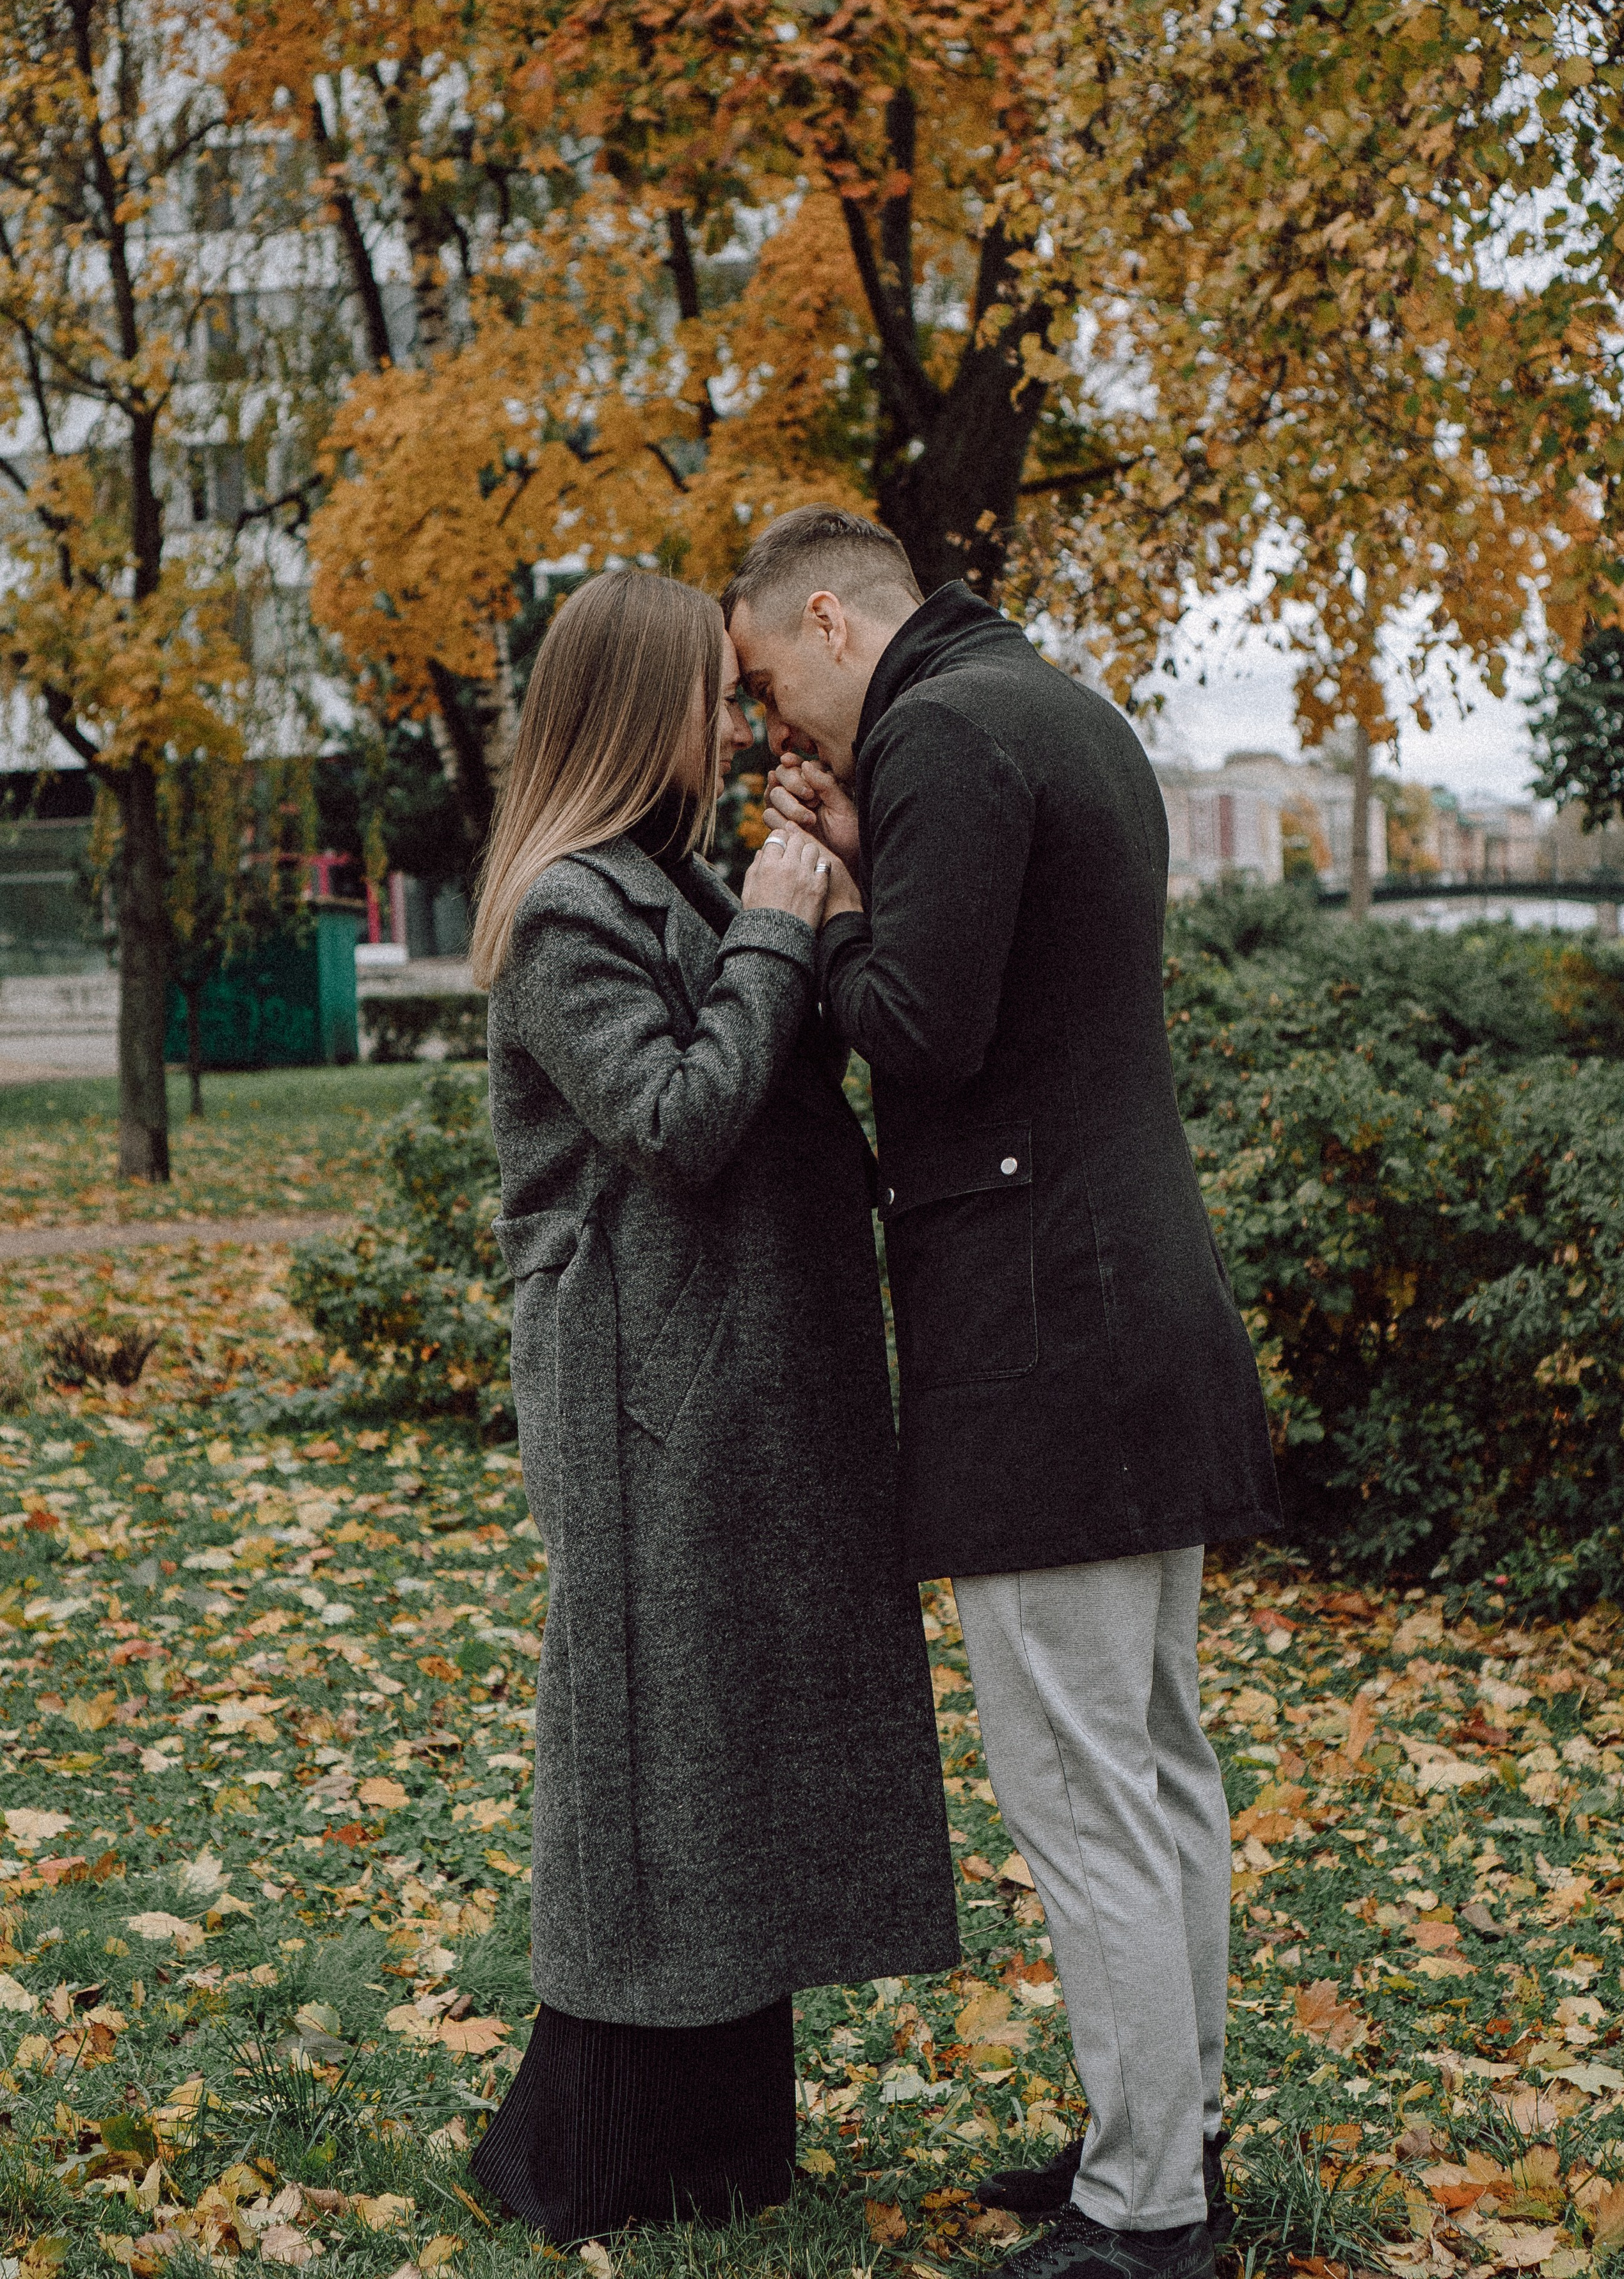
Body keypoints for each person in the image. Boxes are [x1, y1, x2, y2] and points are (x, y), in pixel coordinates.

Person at [726, 507, 1284, 2279]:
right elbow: (1008, 976)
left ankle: (1146, 2209)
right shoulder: (1056, 707)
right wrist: (881, 873)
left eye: (768, 685)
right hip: (1135, 1301)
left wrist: (806, 911)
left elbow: (926, 1028)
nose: (776, 731)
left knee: (1078, 1783)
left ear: (829, 617)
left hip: (1043, 1335)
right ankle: (1169, 2130)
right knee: (1162, 1760)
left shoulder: (938, 731)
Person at [468, 565, 959, 2244]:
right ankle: (588, 2144)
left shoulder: (662, 881)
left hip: (738, 1386)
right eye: (705, 692)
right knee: (648, 1752)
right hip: (641, 1400)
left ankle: (725, 2139)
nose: (732, 720)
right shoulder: (564, 908)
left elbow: (801, 1046)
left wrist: (838, 881)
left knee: (729, 1752)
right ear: (631, 707)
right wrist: (773, 913)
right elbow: (675, 1117)